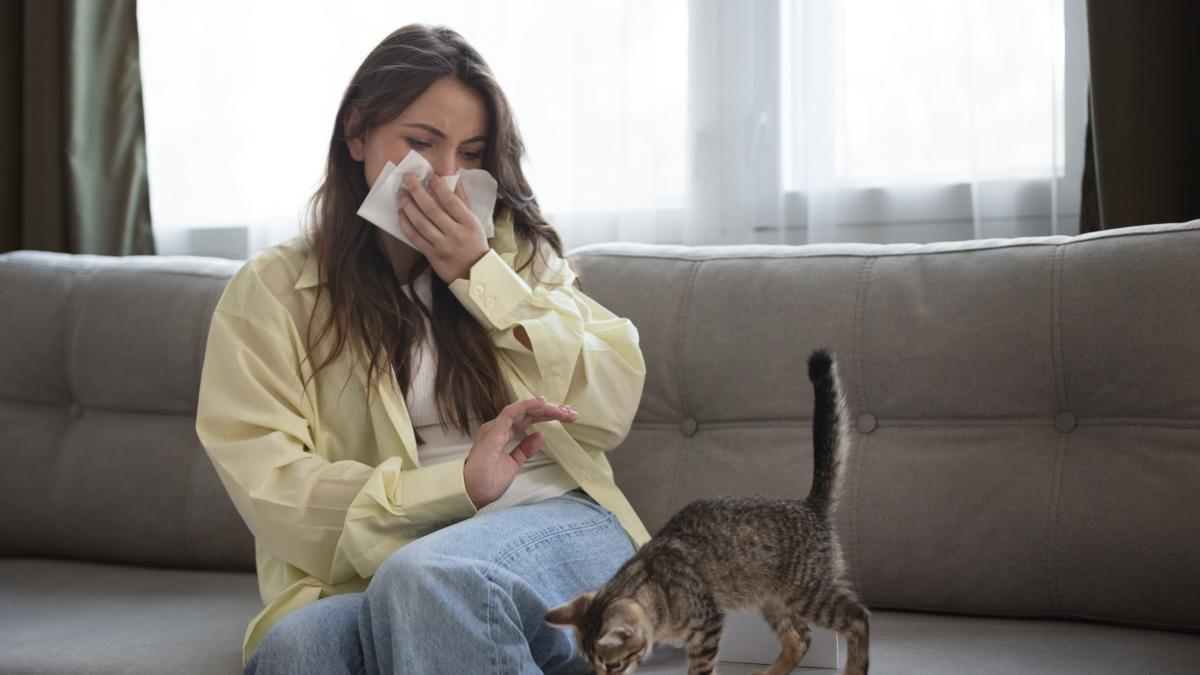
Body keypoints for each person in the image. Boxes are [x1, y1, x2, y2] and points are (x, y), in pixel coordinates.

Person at [194, 23, 651, 674]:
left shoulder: (519, 255)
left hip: (553, 523)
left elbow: (608, 407)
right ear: (357, 133)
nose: (445, 177)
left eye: (470, 153)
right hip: (382, 563)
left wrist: (478, 274)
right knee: (297, 650)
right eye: (420, 144)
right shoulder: (271, 293)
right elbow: (277, 493)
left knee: (429, 578)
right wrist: (454, 486)